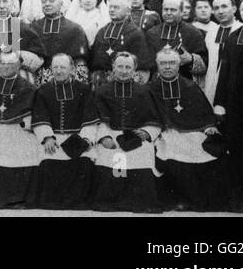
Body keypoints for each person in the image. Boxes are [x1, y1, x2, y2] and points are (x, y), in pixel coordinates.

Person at [151, 48, 224, 211]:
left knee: (198, 148)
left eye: (171, 63)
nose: (167, 67)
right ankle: (179, 198)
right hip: (163, 132)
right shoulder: (151, 88)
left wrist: (208, 128)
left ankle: (197, 200)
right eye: (163, 63)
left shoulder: (189, 86)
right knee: (172, 146)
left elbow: (204, 114)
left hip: (192, 131)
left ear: (178, 65)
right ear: (157, 66)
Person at [90, 51, 163, 213]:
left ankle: (137, 201)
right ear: (113, 68)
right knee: (117, 157)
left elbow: (155, 119)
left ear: (135, 70)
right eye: (120, 66)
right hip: (112, 135)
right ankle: (116, 201)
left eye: (128, 67)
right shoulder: (102, 91)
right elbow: (97, 120)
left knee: (142, 153)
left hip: (137, 136)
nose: (124, 71)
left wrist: (146, 132)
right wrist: (104, 138)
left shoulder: (145, 92)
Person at [30, 52, 98, 210]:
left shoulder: (84, 89)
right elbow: (41, 116)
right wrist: (47, 137)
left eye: (63, 67)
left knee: (85, 161)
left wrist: (85, 140)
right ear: (50, 69)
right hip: (52, 138)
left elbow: (90, 118)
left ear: (72, 69)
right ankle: (51, 203)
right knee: (47, 161)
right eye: (55, 67)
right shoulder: (43, 91)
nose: (59, 71)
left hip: (78, 137)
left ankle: (77, 203)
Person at [0, 49, 40, 208]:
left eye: (9, 64)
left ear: (18, 65)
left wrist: (25, 124)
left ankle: (16, 199)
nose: (5, 67)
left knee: (25, 149)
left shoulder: (28, 88)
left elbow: (35, 115)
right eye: (2, 63)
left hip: (18, 130)